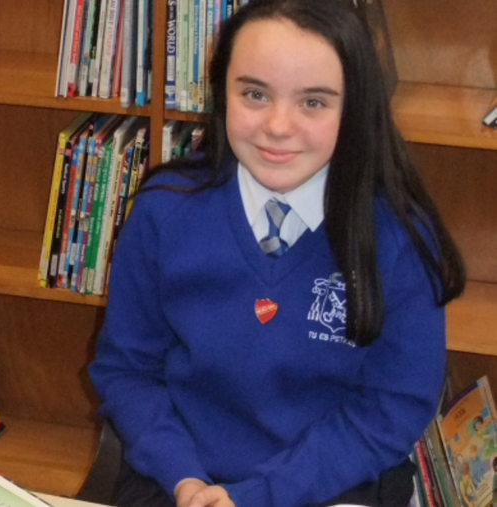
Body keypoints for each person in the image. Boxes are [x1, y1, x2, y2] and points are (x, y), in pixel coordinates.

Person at [88, 1, 466, 507]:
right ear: (222, 92)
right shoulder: (164, 212)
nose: (278, 126)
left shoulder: (397, 236)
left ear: (354, 108)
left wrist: (259, 496)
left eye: (313, 102)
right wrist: (187, 481)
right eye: (255, 94)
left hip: (330, 484)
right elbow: (127, 371)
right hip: (179, 479)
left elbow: (392, 408)